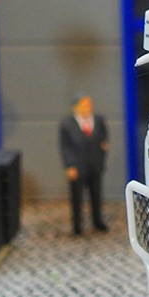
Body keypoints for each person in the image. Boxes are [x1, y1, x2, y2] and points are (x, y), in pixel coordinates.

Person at [58, 94, 109, 236]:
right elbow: (65, 147)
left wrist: (102, 154)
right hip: (78, 166)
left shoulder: (98, 120)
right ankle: (77, 225)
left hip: (95, 165)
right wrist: (69, 166)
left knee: (96, 194)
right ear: (76, 107)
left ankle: (97, 221)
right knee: (77, 196)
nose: (88, 107)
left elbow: (104, 138)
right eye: (85, 104)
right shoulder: (67, 124)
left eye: (89, 104)